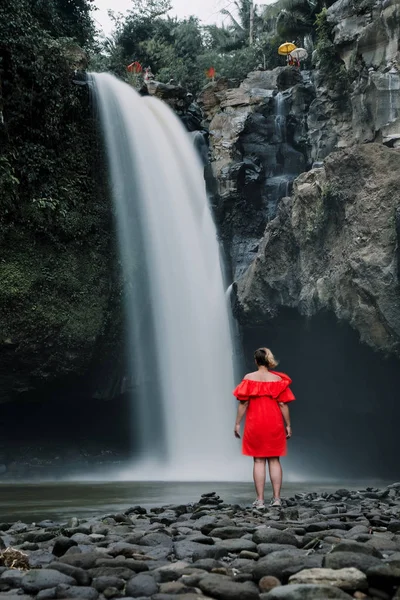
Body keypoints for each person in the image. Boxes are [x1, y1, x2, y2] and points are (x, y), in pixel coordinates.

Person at [233, 347, 295, 509]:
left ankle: (260, 500)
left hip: (255, 423)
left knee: (258, 460)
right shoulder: (277, 380)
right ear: (269, 360)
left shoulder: (249, 378)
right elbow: (282, 404)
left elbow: (243, 403)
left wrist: (237, 423)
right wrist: (288, 424)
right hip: (273, 423)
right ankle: (276, 499)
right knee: (274, 460)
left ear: (256, 361)